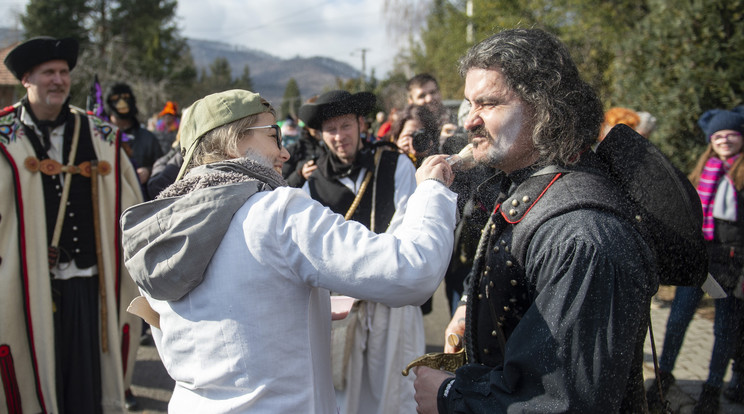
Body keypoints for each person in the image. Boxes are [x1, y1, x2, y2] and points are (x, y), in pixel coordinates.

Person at [119, 89, 458, 413]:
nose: (284, 153)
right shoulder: (277, 212)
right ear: (232, 140)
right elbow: (413, 270)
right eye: (273, 135)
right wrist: (431, 190)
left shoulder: (161, 229)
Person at [412, 28, 657, 413]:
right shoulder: (526, 186)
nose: (470, 121)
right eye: (468, 103)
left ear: (545, 108)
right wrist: (468, 311)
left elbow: (560, 400)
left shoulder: (580, 236)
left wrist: (450, 396)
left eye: (489, 103)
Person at [0, 36, 143, 413]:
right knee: (35, 378)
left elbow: (132, 207)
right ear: (26, 79)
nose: (59, 80)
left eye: (64, 72)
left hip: (89, 285)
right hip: (23, 285)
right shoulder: (4, 136)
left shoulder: (100, 136)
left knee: (86, 385)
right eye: (48, 73)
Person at [298, 90, 423, 414]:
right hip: (340, 310)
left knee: (395, 393)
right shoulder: (311, 187)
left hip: (392, 304)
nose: (339, 137)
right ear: (320, 134)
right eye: (331, 129)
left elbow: (405, 228)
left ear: (361, 123)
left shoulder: (395, 165)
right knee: (345, 397)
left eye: (345, 126)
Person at [646, 107, 744, 414]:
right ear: (710, 140)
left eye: (731, 134)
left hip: (732, 263)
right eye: (718, 135)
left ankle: (713, 388)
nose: (724, 140)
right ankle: (664, 375)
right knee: (677, 320)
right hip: (699, 259)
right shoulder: (705, 170)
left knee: (725, 329)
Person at [106, 82, 163, 188]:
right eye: (116, 99)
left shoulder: (148, 138)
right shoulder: (100, 138)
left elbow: (162, 166)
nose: (121, 103)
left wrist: (149, 171)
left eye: (125, 98)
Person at [281, 97, 326, 188]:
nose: (319, 128)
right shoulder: (293, 150)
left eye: (324, 121)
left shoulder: (337, 148)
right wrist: (300, 174)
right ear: (306, 125)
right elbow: (281, 186)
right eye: (314, 123)